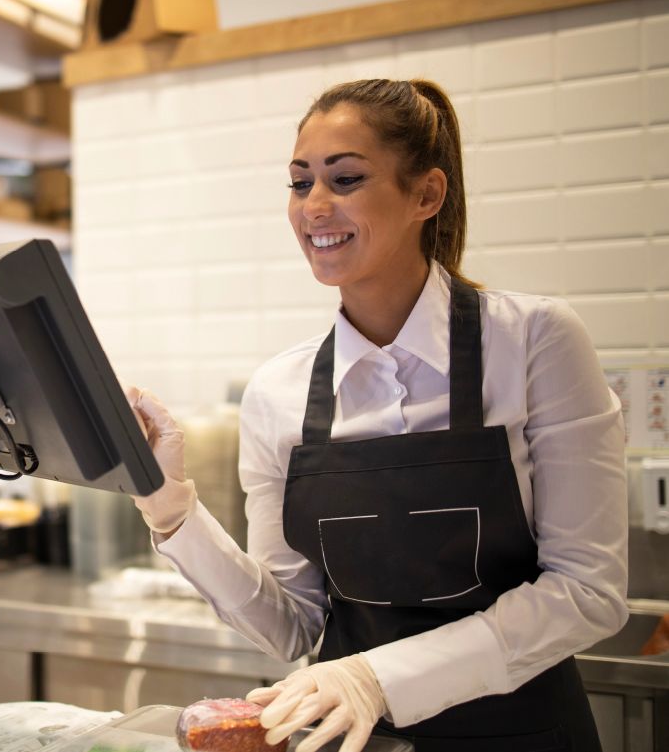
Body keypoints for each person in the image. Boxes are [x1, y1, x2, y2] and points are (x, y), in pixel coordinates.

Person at [125, 78, 628, 752]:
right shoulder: (278, 392)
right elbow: (293, 625)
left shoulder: (534, 341)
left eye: (346, 178)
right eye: (299, 183)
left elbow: (587, 590)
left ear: (426, 194)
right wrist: (172, 510)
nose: (314, 206)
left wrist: (377, 676)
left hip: (525, 733)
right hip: (357, 741)